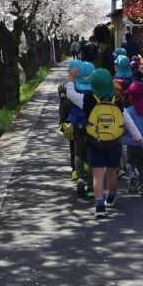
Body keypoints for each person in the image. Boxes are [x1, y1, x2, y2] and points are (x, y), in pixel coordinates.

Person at [66, 68, 142, 218]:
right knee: (112, 172)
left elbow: (70, 94)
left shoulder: (87, 99)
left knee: (97, 174)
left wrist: (71, 78)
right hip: (114, 142)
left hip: (95, 142)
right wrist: (138, 137)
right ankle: (111, 196)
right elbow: (128, 121)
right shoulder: (117, 102)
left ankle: (100, 206)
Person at [64, 61, 95, 197]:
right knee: (92, 155)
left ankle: (80, 176)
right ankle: (91, 186)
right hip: (93, 128)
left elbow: (69, 93)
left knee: (79, 152)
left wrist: (70, 78)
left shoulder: (76, 90)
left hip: (79, 126)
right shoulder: (95, 92)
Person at [123, 80, 143, 194]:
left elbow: (124, 128)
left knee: (129, 163)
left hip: (132, 145)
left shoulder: (128, 111)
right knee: (142, 165)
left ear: (132, 97)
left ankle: (132, 178)